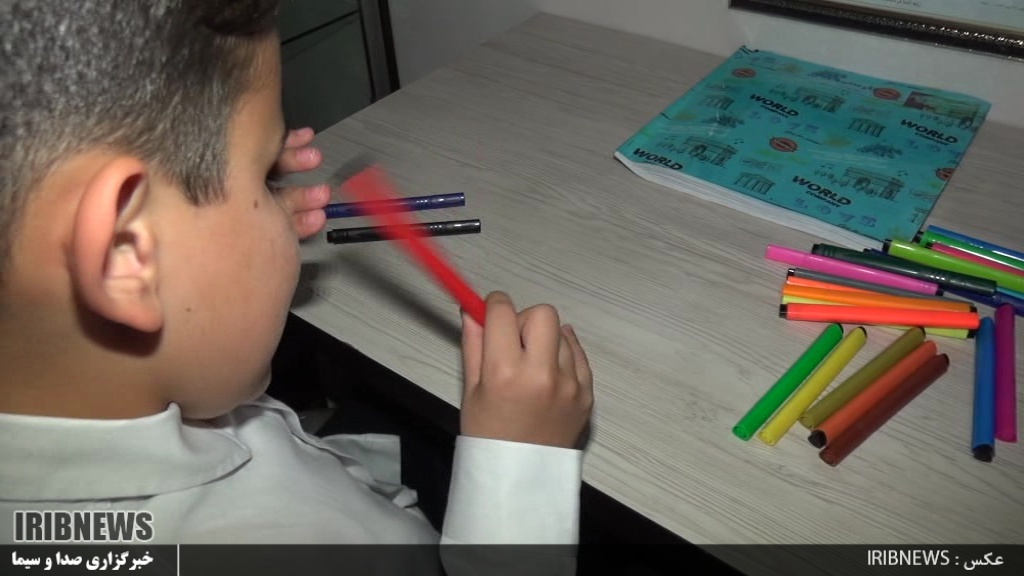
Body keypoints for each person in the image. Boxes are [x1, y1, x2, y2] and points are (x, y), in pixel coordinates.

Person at [0, 0, 594, 570]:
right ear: (126, 252)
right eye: (265, 176)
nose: (283, 193)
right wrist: (523, 469)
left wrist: (223, 237)